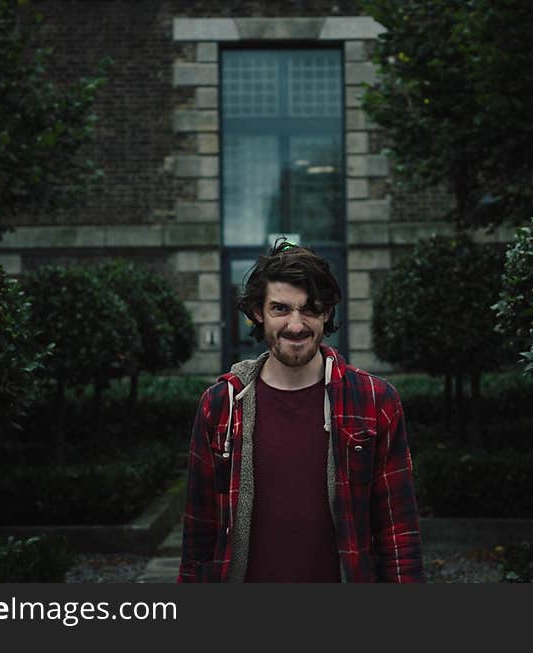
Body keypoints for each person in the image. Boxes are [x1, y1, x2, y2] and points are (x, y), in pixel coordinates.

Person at [178, 240, 424, 582]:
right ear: (257, 313)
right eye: (280, 309)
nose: (296, 325)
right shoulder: (221, 404)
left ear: (327, 313)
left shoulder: (374, 400)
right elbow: (198, 536)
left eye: (310, 309)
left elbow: (399, 535)